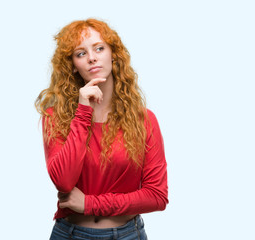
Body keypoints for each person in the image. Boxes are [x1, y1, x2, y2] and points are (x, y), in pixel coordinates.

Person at [35, 18, 168, 240]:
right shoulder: (55, 118)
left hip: (128, 235)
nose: (92, 57)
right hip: (70, 234)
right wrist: (82, 111)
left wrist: (90, 204)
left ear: (113, 54)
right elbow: (63, 181)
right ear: (73, 67)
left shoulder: (144, 119)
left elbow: (157, 196)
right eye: (80, 53)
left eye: (99, 48)